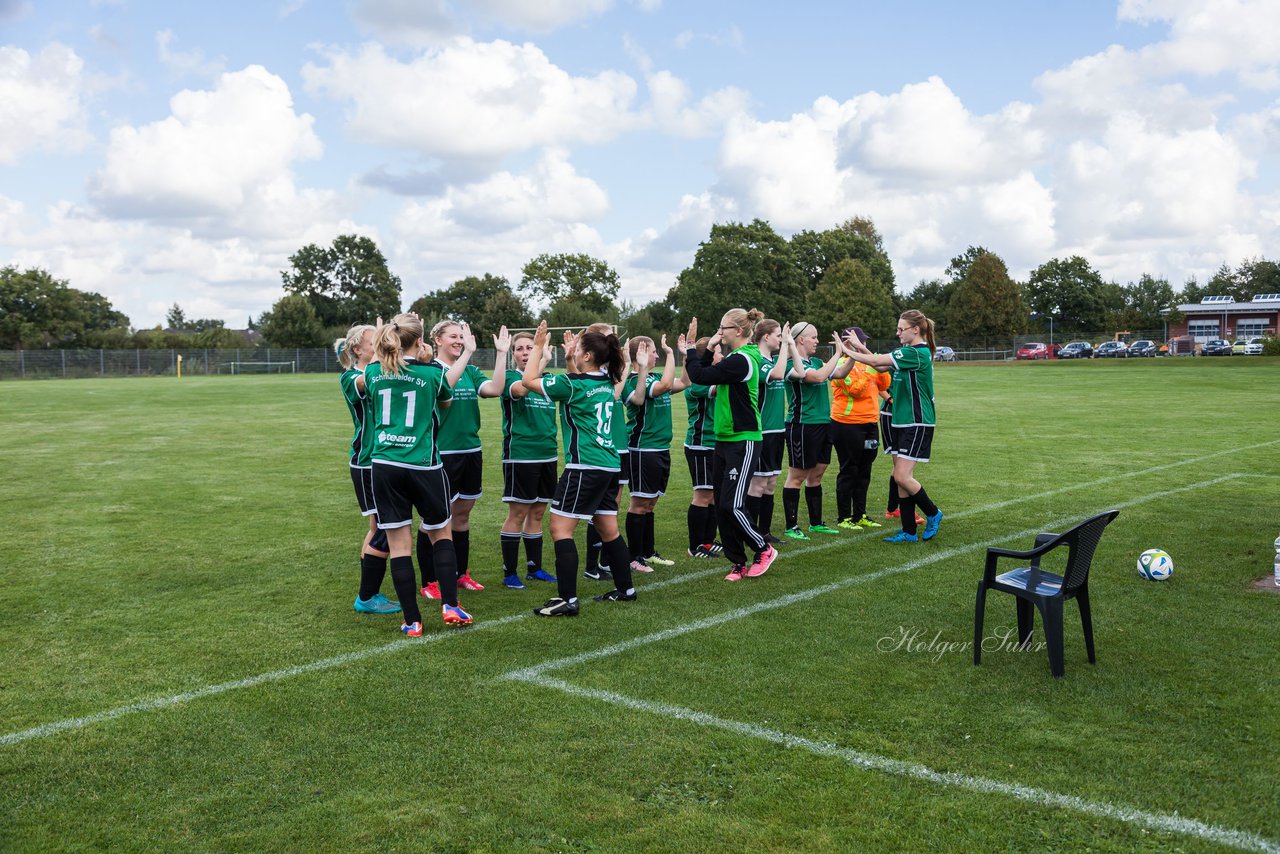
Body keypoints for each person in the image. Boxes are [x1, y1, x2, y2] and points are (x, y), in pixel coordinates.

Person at [520, 321, 637, 615]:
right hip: (610, 465)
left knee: (560, 528)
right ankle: (626, 589)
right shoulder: (605, 382)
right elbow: (578, 380)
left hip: (585, 466)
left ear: (587, 356)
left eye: (579, 348)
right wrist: (573, 357)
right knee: (608, 528)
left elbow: (528, 379)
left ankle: (567, 599)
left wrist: (537, 345)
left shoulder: (572, 385)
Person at [365, 314, 470, 633]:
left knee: (399, 546)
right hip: (424, 464)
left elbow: (378, 373)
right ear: (421, 339)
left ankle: (412, 621)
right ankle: (451, 605)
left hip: (384, 465)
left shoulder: (373, 372)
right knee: (441, 532)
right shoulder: (433, 373)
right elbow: (446, 405)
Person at [679, 309, 778, 582]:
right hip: (724, 439)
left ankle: (763, 548)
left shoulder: (743, 360)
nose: (719, 332)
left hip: (743, 439)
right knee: (723, 506)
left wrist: (693, 346)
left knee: (733, 505)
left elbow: (699, 375)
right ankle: (737, 563)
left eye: (723, 328)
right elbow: (703, 372)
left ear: (738, 331)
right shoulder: (735, 358)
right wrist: (708, 349)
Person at [418, 320, 507, 598]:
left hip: (471, 451)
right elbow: (444, 387)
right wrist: (468, 351)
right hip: (441, 454)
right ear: (438, 341)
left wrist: (502, 354)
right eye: (453, 336)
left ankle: (460, 574)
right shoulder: (431, 370)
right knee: (436, 519)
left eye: (462, 336)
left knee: (462, 515)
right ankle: (430, 581)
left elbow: (494, 389)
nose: (459, 340)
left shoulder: (470, 370)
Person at [842, 309, 943, 542]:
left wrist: (848, 350)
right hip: (900, 421)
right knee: (900, 478)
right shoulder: (907, 352)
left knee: (902, 476)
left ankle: (933, 513)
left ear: (915, 330)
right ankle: (908, 531)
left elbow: (877, 361)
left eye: (901, 329)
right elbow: (879, 367)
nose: (897, 332)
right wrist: (859, 347)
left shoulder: (917, 353)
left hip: (917, 421)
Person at [337, 324, 400, 615]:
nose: (378, 345)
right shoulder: (352, 377)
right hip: (366, 461)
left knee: (379, 526)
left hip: (383, 458)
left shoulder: (379, 372)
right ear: (356, 350)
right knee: (384, 527)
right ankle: (367, 595)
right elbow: (366, 381)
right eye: (372, 343)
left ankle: (369, 592)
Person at [781, 322, 855, 539]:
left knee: (818, 473)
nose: (817, 341)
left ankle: (816, 523)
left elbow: (839, 373)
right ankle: (791, 525)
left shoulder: (816, 361)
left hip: (824, 423)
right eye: (813, 337)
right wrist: (839, 352)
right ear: (800, 340)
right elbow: (819, 377)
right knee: (798, 475)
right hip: (802, 425)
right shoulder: (789, 365)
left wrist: (853, 355)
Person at [497, 331, 559, 589]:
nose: (525, 352)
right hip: (521, 455)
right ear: (513, 355)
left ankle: (535, 568)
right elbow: (523, 388)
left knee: (538, 511)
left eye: (529, 348)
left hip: (548, 454)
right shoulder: (510, 377)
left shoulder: (549, 381)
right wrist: (540, 357)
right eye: (520, 349)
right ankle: (510, 572)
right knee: (518, 512)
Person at [623, 334, 677, 571]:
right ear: (642, 354)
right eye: (654, 351)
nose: (657, 355)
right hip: (642, 449)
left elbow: (685, 382)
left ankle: (648, 551)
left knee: (651, 503)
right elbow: (665, 386)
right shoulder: (633, 381)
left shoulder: (653, 376)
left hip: (660, 449)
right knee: (639, 503)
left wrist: (685, 353)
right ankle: (634, 557)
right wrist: (672, 354)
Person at [829, 326, 890, 530]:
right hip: (847, 425)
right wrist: (867, 364)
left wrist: (869, 360)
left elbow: (884, 382)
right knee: (849, 470)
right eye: (859, 342)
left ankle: (860, 514)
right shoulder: (839, 364)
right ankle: (844, 517)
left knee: (865, 471)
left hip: (870, 424)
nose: (863, 344)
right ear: (847, 344)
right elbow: (855, 390)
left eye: (863, 341)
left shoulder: (869, 362)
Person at [673, 337, 720, 558]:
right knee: (702, 495)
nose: (723, 356)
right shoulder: (697, 382)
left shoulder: (709, 376)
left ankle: (708, 543)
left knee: (713, 495)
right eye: (719, 352)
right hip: (700, 445)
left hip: (715, 443)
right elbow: (720, 389)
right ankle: (695, 546)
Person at [748, 319, 789, 544]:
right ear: (765, 337)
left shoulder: (772, 359)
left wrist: (788, 345)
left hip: (777, 430)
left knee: (771, 482)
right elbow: (778, 374)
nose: (781, 339)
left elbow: (794, 371)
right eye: (778, 335)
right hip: (762, 431)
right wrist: (786, 347)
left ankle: (764, 532)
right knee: (758, 483)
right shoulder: (758, 361)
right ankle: (750, 533)